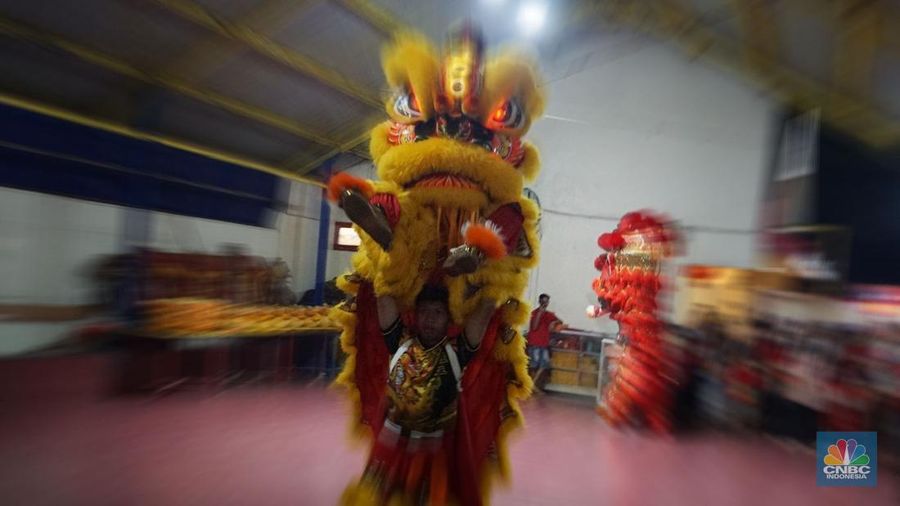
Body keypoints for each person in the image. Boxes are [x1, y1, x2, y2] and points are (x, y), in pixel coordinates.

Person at [342, 284, 496, 505]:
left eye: (438, 312)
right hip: (390, 451)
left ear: (449, 319)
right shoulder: (400, 343)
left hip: (434, 457)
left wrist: (498, 272)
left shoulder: (456, 352)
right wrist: (385, 258)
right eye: (424, 311)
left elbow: (487, 307)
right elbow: (383, 293)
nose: (429, 318)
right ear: (415, 315)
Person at [527, 293, 563, 387]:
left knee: (544, 364)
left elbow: (560, 321)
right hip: (534, 343)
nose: (545, 303)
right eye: (544, 301)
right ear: (540, 301)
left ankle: (532, 385)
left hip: (544, 343)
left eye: (547, 301)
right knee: (534, 365)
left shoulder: (549, 314)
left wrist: (553, 323)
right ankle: (530, 385)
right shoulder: (534, 313)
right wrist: (540, 314)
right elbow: (534, 327)